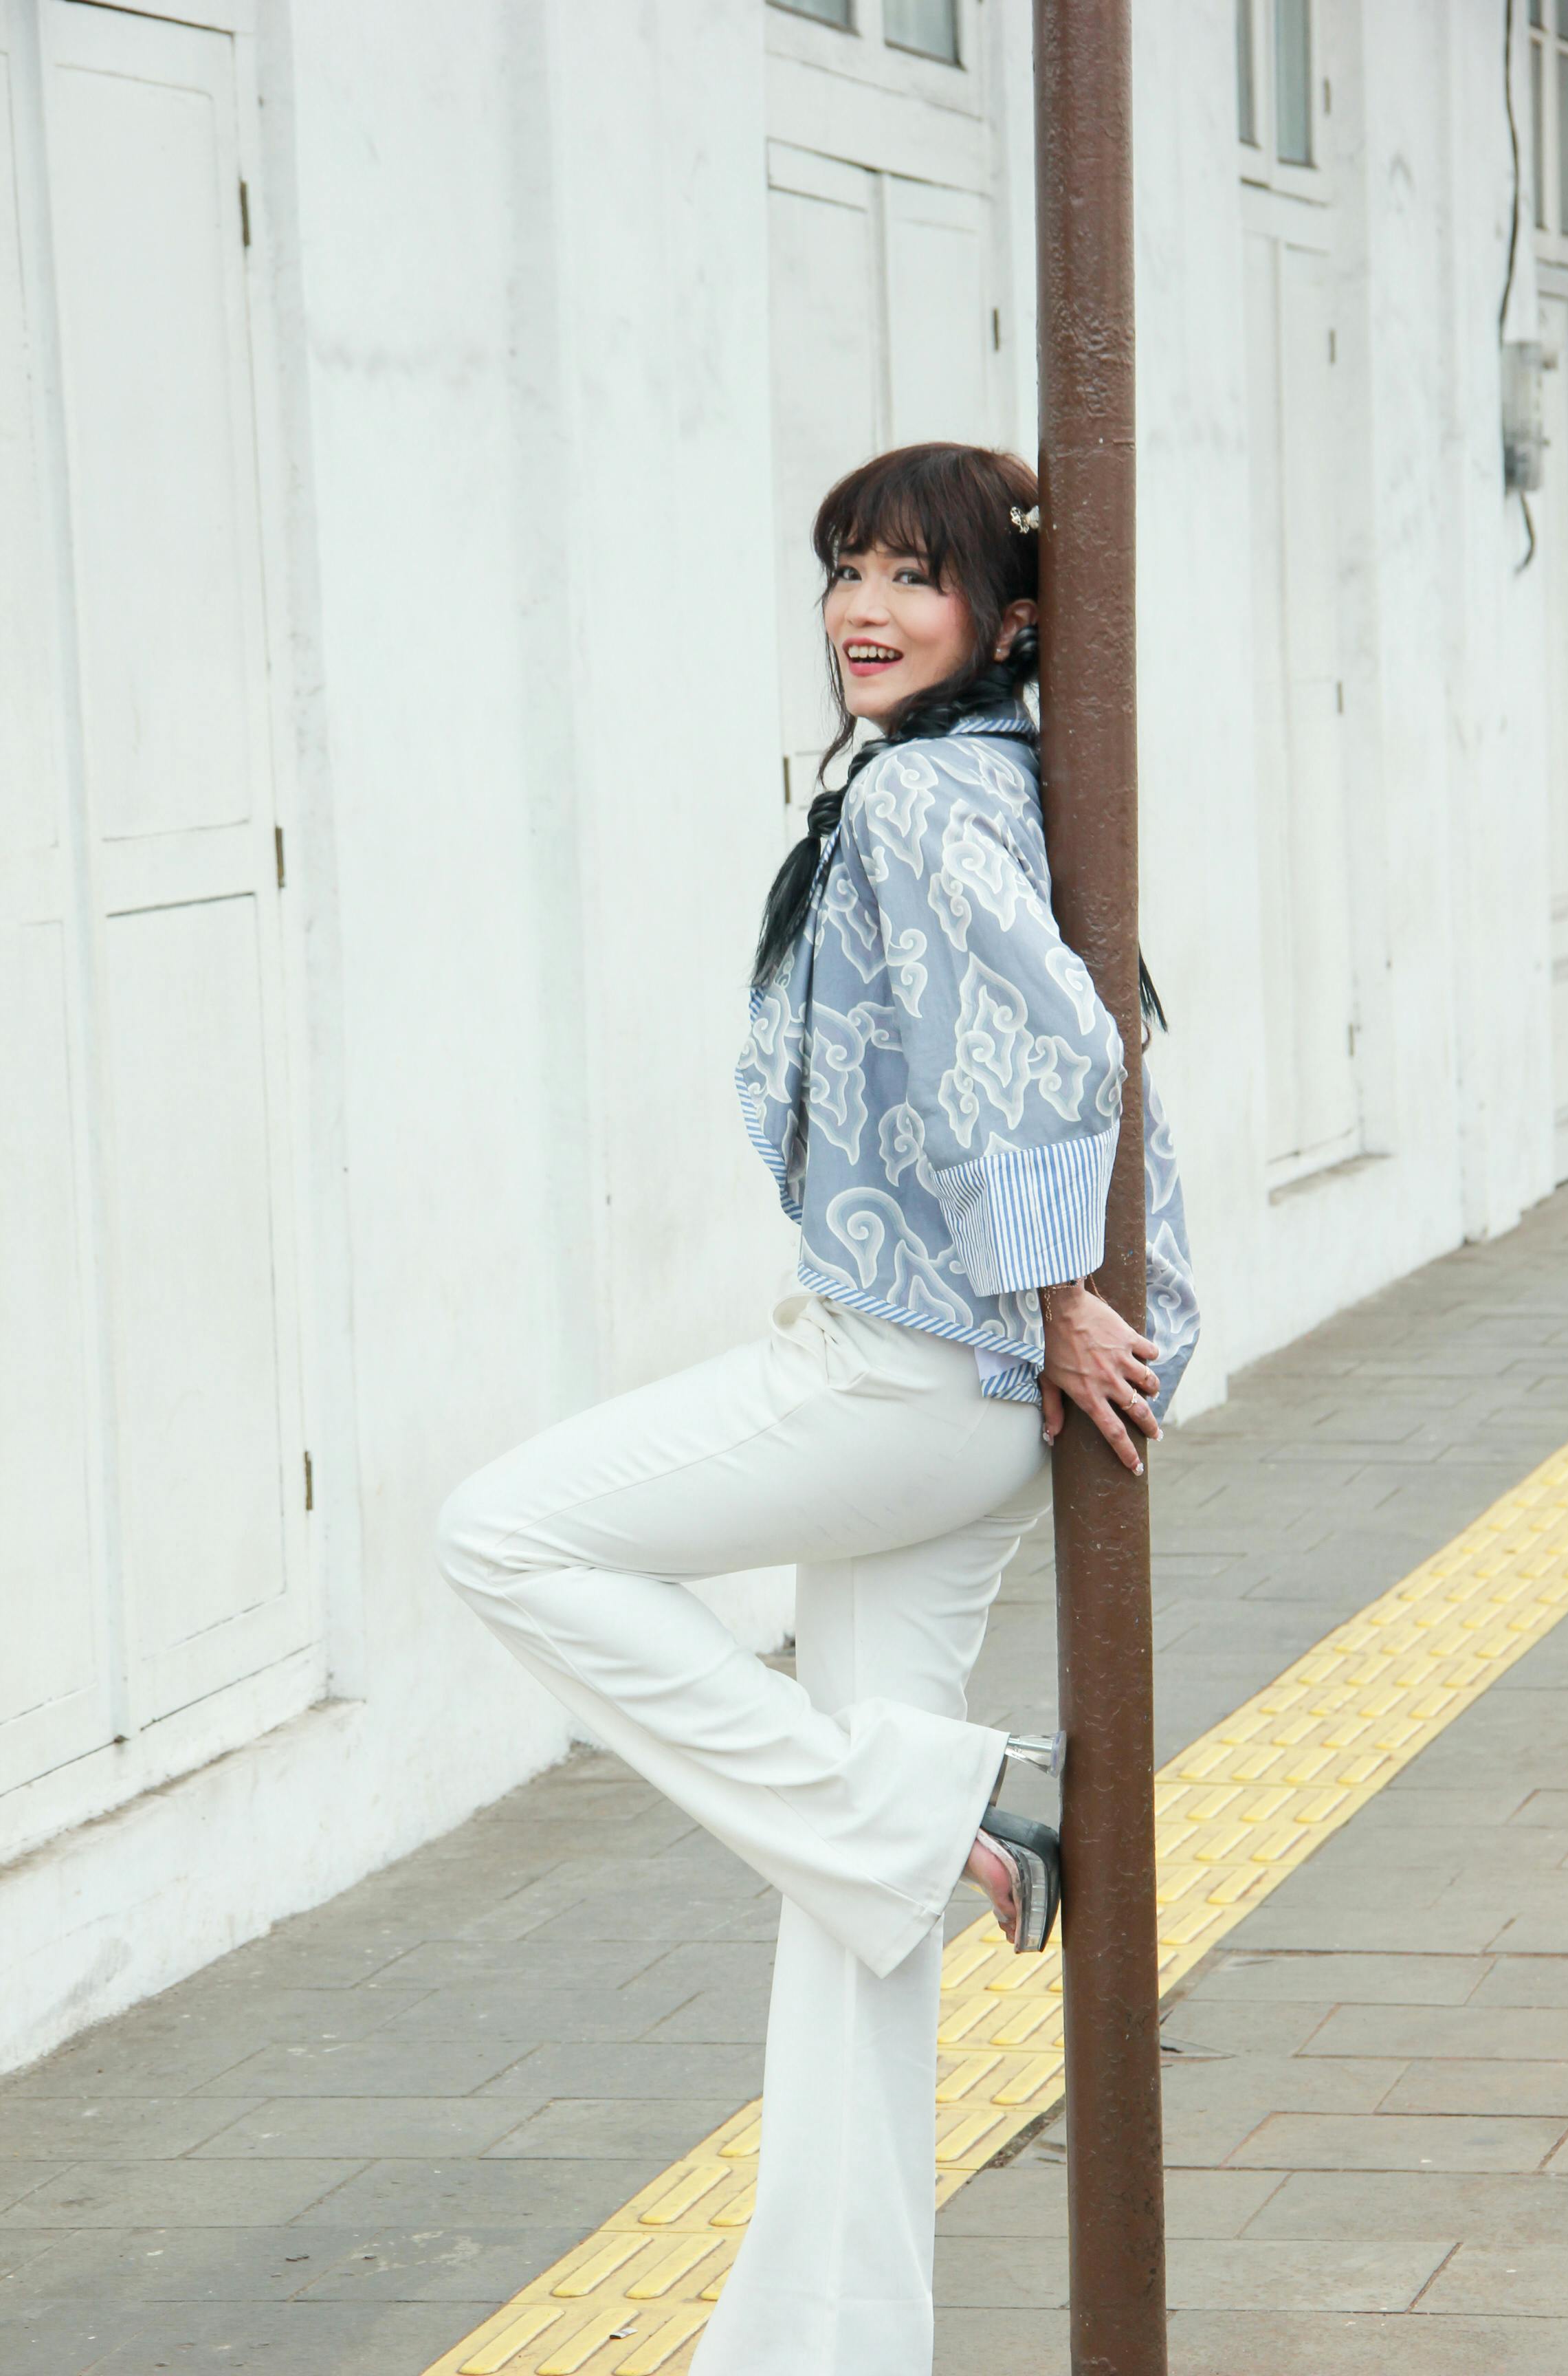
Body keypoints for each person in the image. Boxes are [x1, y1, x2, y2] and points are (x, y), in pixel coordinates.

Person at [437, 441, 1199, 2376]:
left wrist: (1053, 1291)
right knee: (849, 1908)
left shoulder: (928, 800)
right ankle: (817, 2347)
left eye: (911, 579)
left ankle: (944, 1813)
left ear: (1003, 622)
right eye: (845, 571)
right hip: (957, 1400)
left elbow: (1037, 1037)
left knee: (506, 1535)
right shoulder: (966, 775)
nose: (863, 610)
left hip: (900, 1377)